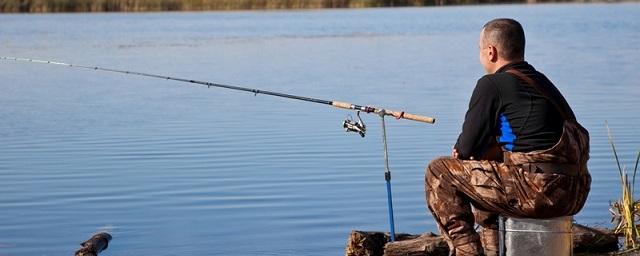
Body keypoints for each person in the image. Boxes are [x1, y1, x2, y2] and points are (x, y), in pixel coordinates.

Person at [425, 18, 591, 256]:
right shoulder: (542, 82)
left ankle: (467, 252)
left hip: (539, 192)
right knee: (488, 167)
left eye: (479, 50)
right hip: (575, 192)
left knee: (438, 170)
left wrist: (464, 152)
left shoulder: (492, 84)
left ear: (490, 52)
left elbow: (465, 148)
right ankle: (495, 249)